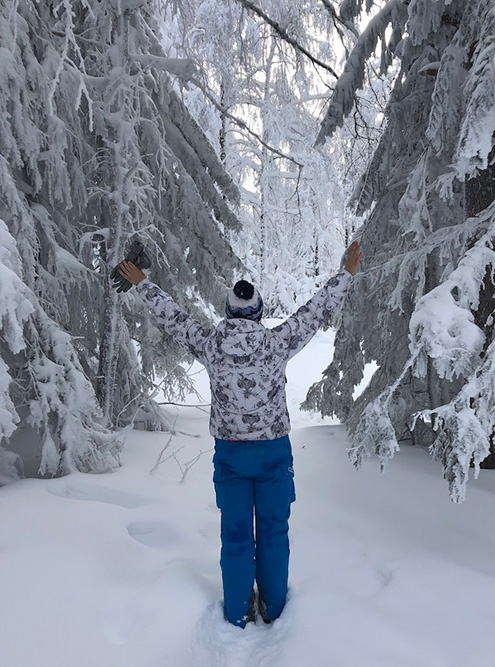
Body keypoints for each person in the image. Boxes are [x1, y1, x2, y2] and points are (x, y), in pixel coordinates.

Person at [118, 240, 362, 628]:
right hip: (273, 455)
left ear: (228, 311)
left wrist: (143, 283)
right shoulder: (277, 343)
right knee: (273, 533)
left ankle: (236, 612)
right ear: (259, 312)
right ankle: (275, 609)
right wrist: (346, 274)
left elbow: (174, 319)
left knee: (235, 536)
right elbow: (315, 312)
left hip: (230, 457)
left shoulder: (211, 345)